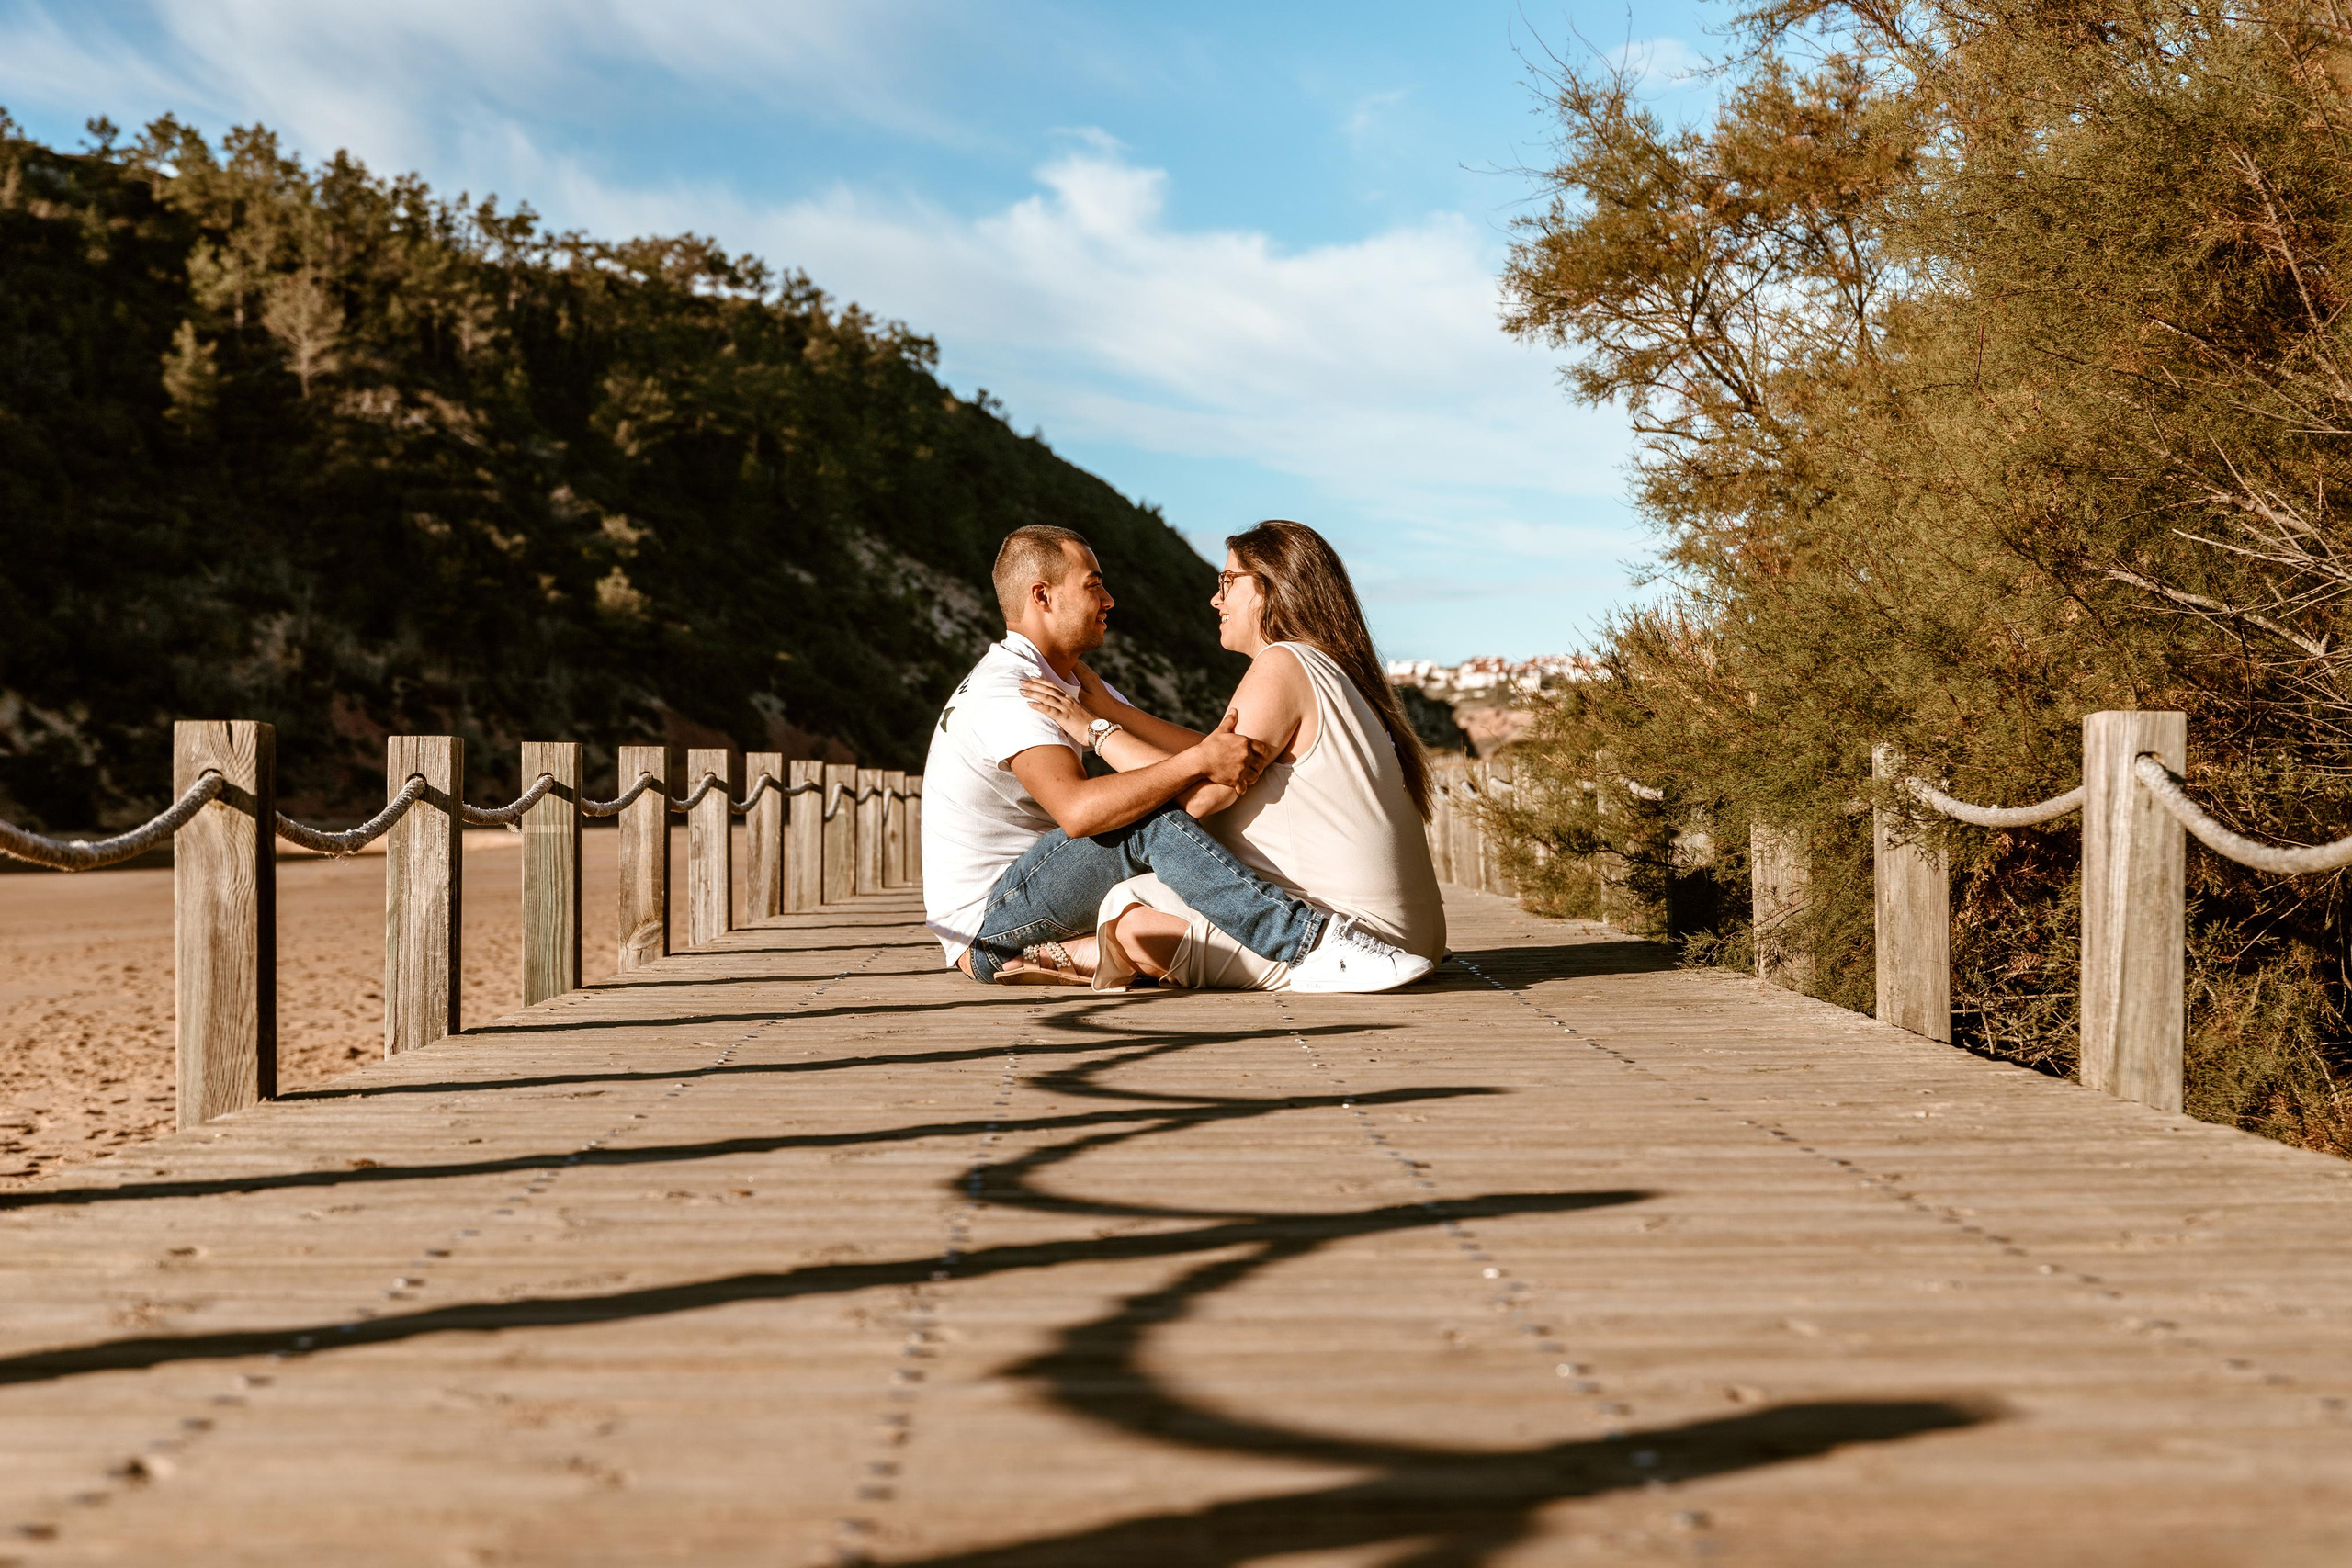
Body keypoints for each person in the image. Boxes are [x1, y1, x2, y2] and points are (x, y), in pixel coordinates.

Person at [919, 524, 1433, 994]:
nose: (1109, 600)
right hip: (990, 921)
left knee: (1145, 857)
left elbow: (1209, 755)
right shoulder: (1014, 690)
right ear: (1043, 596)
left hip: (1036, 887)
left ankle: (1082, 953)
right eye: (1093, 585)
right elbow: (1078, 811)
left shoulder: (1070, 685)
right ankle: (1308, 943)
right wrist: (1175, 755)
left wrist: (1125, 722)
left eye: (1227, 582)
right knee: (1147, 821)